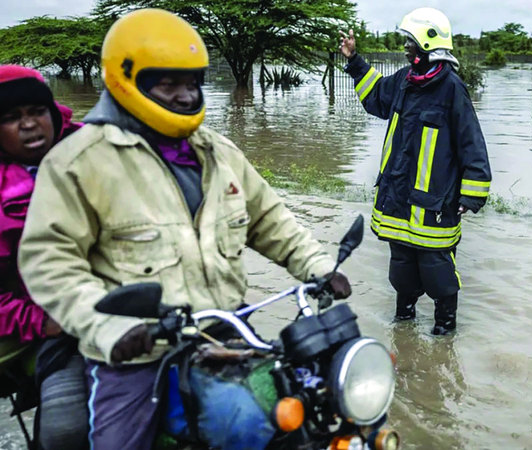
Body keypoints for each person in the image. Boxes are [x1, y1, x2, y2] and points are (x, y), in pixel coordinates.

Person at [18, 9, 351, 450]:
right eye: (167, 84)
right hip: (135, 355)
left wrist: (318, 267)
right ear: (127, 80)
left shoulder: (219, 151)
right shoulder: (79, 161)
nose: (183, 95)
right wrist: (108, 329)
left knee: (295, 418)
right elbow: (49, 261)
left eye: (191, 82)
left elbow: (271, 220)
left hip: (228, 330)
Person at [339, 7, 491, 336]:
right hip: (397, 199)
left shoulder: (452, 88)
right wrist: (354, 61)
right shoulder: (405, 81)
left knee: (438, 272)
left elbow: (472, 144)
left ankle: (444, 331)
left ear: (426, 44)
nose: (405, 48)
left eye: (410, 42)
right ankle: (404, 329)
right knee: (402, 269)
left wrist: (471, 194)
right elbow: (376, 97)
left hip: (434, 206)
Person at [0, 65, 88, 449]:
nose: (28, 125)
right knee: (67, 429)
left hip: (106, 299)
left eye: (36, 112)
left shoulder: (94, 150)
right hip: (25, 318)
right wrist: (43, 322)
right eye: (10, 118)